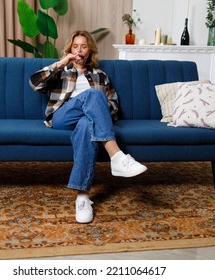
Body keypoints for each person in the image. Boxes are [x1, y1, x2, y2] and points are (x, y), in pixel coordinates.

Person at [29, 30, 147, 223]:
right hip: (62, 118)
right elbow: (35, 84)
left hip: (88, 121)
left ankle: (82, 197)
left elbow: (114, 105)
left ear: (89, 49)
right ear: (70, 49)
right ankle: (116, 156)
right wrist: (60, 63)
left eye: (83, 46)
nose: (79, 50)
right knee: (93, 95)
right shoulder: (62, 71)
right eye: (75, 46)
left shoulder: (100, 76)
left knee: (86, 124)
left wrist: (95, 110)